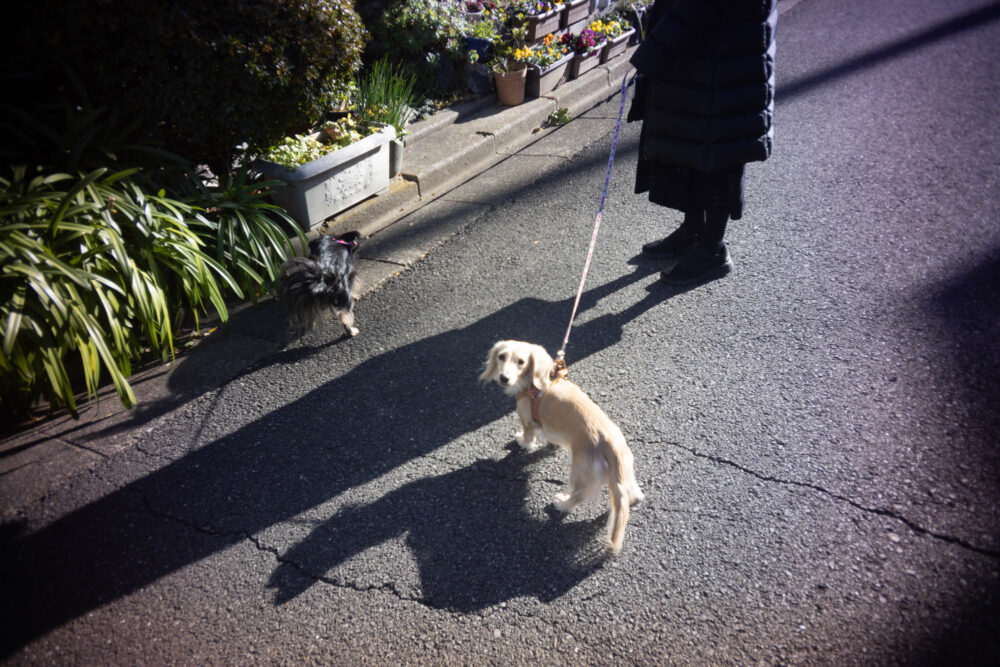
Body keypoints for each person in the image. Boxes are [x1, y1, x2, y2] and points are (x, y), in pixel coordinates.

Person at [628, 0, 778, 286]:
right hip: (704, 41)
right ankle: (694, 228)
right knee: (692, 136)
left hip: (727, 42)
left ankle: (713, 249)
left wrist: (653, 51)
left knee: (721, 143)